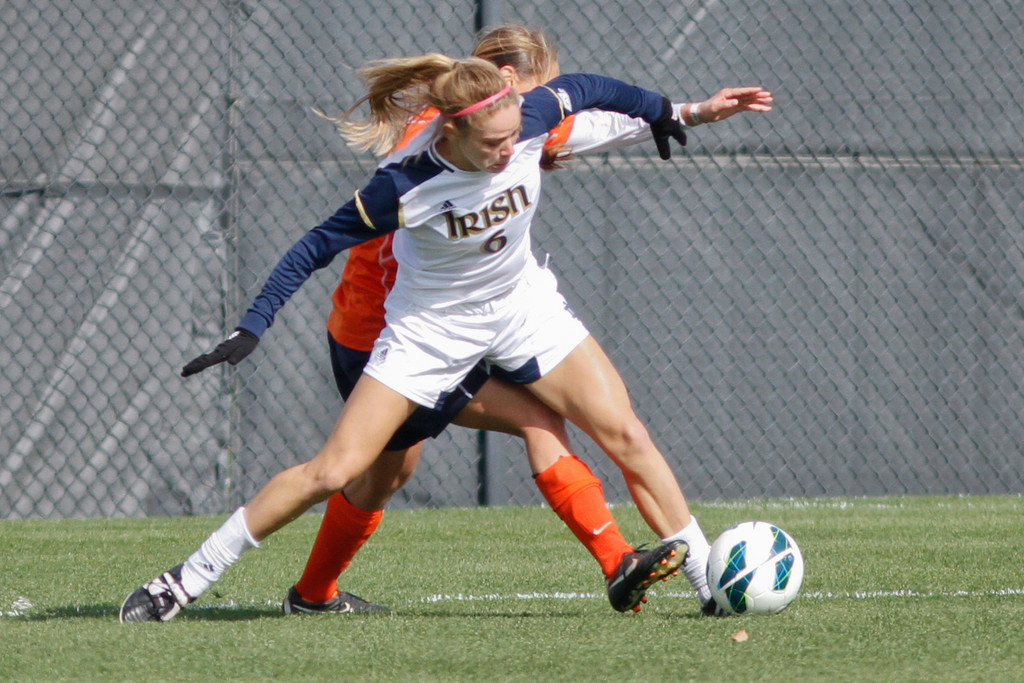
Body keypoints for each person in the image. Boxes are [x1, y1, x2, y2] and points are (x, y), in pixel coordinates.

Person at [120, 52, 747, 623]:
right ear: (452, 131)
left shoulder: (528, 116)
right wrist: (251, 324)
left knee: (625, 431)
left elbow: (591, 89)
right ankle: (180, 583)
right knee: (336, 469)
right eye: (494, 143)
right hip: (431, 334)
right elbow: (313, 246)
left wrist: (668, 111)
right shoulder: (405, 183)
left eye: (514, 135)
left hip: (521, 307)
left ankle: (706, 586)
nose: (511, 150)